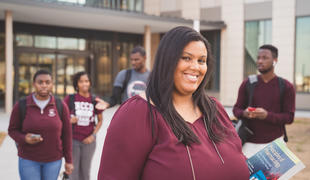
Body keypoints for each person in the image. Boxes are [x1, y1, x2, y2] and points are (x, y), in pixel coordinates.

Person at [98, 26, 249, 180]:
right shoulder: (137, 113)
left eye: (201, 60)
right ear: (167, 60)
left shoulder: (215, 109)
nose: (195, 67)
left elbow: (238, 161)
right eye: (186, 58)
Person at [8, 69, 73, 180]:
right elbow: (12, 130)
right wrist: (24, 138)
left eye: (47, 82)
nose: (44, 85)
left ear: (52, 84)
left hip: (53, 160)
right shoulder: (21, 105)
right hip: (28, 159)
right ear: (34, 84)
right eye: (40, 82)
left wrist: (69, 160)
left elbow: (67, 135)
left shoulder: (60, 105)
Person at [233, 44, 296, 158]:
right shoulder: (248, 83)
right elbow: (236, 109)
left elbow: (289, 117)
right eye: (258, 58)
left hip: (275, 144)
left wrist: (267, 115)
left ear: (275, 61)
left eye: (265, 58)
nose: (260, 61)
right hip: (248, 144)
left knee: (273, 177)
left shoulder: (286, 86)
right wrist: (245, 113)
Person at [64, 71, 104, 180]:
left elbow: (100, 120)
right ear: (76, 84)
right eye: (81, 81)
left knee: (85, 173)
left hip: (89, 142)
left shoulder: (95, 100)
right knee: (73, 173)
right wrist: (69, 120)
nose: (84, 84)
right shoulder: (70, 98)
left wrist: (93, 136)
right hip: (73, 140)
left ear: (90, 83)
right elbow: (61, 117)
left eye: (86, 81)